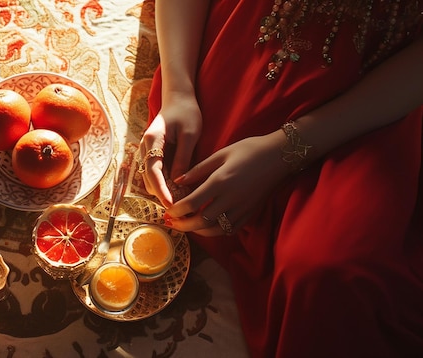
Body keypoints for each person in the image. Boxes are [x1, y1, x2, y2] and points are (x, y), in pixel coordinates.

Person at [139, 0, 423, 357]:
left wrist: (286, 150)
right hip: (253, 29)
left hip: (379, 87)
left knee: (331, 277)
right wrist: (178, 93)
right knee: (190, 168)